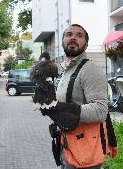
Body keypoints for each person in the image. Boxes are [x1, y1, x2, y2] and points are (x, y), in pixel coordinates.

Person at [42, 24, 108, 169]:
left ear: (86, 44)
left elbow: (101, 110)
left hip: (85, 152)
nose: (73, 37)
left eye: (79, 35)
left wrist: (61, 108)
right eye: (69, 34)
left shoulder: (90, 70)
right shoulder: (67, 70)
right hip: (67, 146)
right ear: (63, 41)